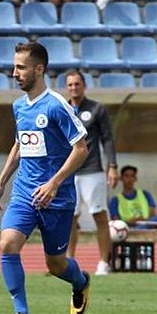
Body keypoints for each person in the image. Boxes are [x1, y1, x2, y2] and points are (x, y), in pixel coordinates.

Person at [0, 40, 90, 314]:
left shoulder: (56, 105)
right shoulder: (18, 106)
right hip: (24, 193)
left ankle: (81, 282)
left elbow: (81, 149)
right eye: (14, 67)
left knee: (55, 264)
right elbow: (20, 145)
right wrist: (0, 182)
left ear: (39, 69)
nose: (14, 73)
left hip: (56, 199)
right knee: (7, 243)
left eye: (21, 67)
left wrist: (54, 183)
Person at [65, 70, 117, 275]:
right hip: (69, 172)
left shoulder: (96, 108)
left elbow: (107, 138)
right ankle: (68, 261)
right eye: (70, 85)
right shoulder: (62, 109)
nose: (73, 88)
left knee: (100, 216)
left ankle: (104, 262)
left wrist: (112, 165)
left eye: (77, 84)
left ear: (84, 86)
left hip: (92, 170)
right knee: (70, 218)